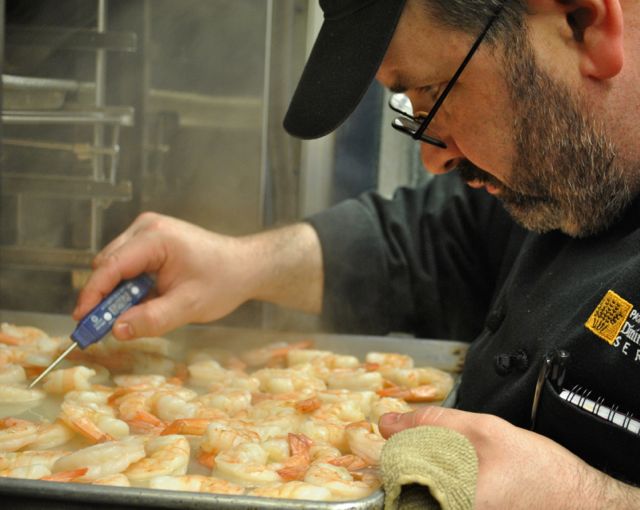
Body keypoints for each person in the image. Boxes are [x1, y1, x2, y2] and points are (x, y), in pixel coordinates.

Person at [74, 0, 640, 506]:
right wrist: (242, 264)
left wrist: (586, 498)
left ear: (585, 25)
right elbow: (428, 240)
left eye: (433, 94)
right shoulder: (570, 168)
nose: (434, 161)